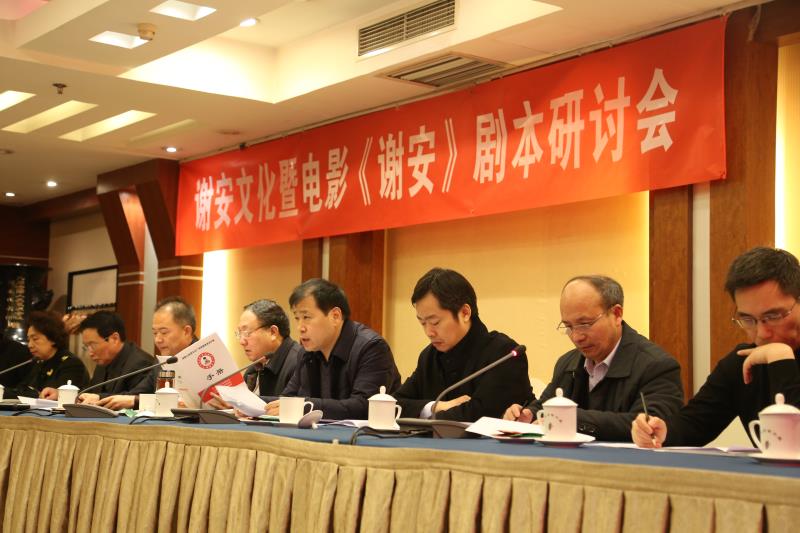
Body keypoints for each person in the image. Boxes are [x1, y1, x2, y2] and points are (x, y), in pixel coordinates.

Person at [632, 247, 800, 447]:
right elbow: (694, 424)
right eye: (748, 319)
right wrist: (661, 431)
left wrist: (781, 360)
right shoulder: (741, 363)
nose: (762, 333)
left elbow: (794, 443)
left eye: (773, 316)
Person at [505, 275, 683, 441]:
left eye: (585, 324)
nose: (576, 337)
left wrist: (571, 419)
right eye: (568, 326)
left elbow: (650, 427)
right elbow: (546, 405)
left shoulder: (656, 366)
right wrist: (528, 414)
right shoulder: (567, 363)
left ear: (617, 314)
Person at [394, 268, 532, 421]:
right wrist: (436, 406)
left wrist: (422, 414)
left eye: (435, 322)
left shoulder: (504, 354)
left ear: (465, 313)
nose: (429, 332)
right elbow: (394, 405)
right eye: (422, 323)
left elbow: (479, 415)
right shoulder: (429, 356)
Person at [265, 278, 400, 420]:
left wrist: (303, 406)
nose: (300, 328)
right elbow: (288, 398)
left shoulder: (371, 348)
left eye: (306, 317)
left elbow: (364, 407)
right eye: (297, 318)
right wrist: (255, 404)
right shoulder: (307, 353)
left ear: (335, 316)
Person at [98, 297, 198, 410]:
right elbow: (135, 395)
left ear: (186, 331)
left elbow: (194, 404)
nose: (158, 340)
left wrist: (134, 401)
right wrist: (98, 398)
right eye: (155, 333)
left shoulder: (206, 359)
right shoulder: (161, 362)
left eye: (164, 332)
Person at [208, 299, 303, 409]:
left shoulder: (299, 362)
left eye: (247, 333)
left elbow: (294, 408)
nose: (242, 341)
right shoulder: (253, 369)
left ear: (273, 332)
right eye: (239, 333)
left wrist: (240, 404)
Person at [75, 311, 155, 406]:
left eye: (93, 345)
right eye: (86, 346)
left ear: (114, 338)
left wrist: (99, 398)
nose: (90, 352)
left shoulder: (141, 363)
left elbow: (134, 399)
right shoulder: (103, 361)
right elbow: (91, 393)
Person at [11, 311, 88, 399]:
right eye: (29, 340)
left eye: (35, 339)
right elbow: (22, 389)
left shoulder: (71, 364)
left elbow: (54, 397)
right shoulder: (38, 362)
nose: (30, 345)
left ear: (53, 338)